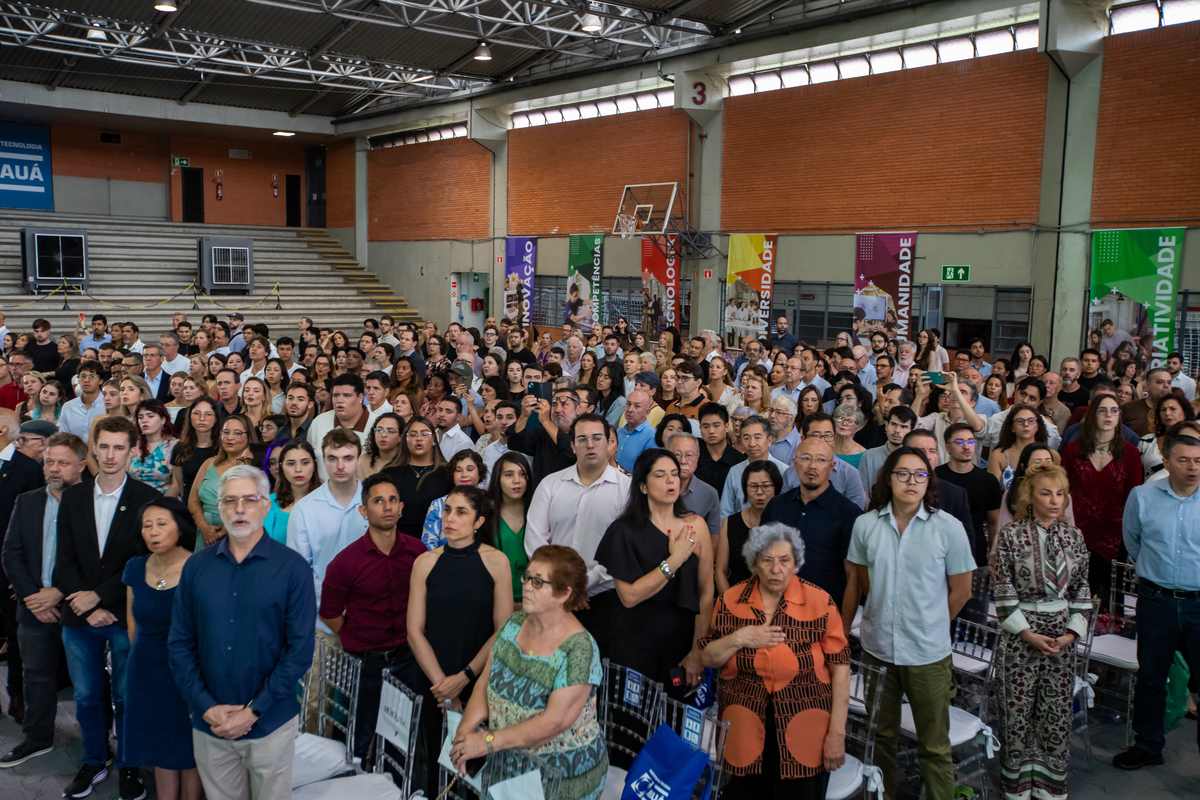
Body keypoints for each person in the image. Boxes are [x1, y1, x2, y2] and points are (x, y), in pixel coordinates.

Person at [168, 465, 315, 800]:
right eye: (230, 501)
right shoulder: (196, 567)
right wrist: (204, 705)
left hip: (270, 723)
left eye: (250, 499)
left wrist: (253, 711)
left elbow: (299, 651)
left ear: (266, 506)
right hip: (211, 723)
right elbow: (179, 643)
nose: (239, 509)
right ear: (218, 507)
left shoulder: (293, 569)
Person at [847, 447, 975, 800]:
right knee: (881, 737)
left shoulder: (948, 528)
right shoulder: (866, 525)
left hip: (928, 653)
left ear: (928, 481)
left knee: (934, 745)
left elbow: (962, 591)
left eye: (920, 474)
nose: (911, 481)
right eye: (902, 473)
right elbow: (862, 582)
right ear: (888, 478)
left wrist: (931, 622)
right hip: (878, 649)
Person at [699, 522, 850, 800]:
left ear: (796, 563)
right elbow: (707, 657)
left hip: (806, 728)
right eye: (767, 560)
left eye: (784, 560)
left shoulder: (820, 603)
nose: (775, 569)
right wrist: (739, 638)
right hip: (744, 729)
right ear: (754, 563)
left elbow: (840, 670)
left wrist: (837, 734)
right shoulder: (731, 601)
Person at [57, 416, 163, 800]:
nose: (111, 454)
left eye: (119, 447)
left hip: (124, 613)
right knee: (86, 696)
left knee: (126, 695)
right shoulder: (73, 497)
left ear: (133, 451)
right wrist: (87, 606)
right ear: (94, 448)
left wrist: (100, 597)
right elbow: (63, 560)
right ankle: (95, 759)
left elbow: (144, 561)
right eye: (104, 446)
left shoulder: (148, 498)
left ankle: (129, 763)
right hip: (79, 614)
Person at [450, 545, 608, 800]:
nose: (525, 586)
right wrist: (465, 731)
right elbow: (484, 683)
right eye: (527, 577)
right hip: (506, 762)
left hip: (559, 778)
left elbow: (553, 723)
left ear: (564, 594)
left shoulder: (580, 649)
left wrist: (486, 742)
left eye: (538, 582)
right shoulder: (514, 623)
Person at [990, 463, 1091, 799]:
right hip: (1021, 635)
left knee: (1055, 712)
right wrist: (1027, 633)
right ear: (1030, 497)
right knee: (1016, 712)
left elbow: (1082, 590)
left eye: (1060, 493)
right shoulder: (1011, 535)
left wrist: (1071, 635)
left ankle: (1049, 785)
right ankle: (1017, 785)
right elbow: (1002, 588)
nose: (1054, 500)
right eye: (1046, 493)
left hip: (1061, 637)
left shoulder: (1075, 537)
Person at [407, 486, 513, 797]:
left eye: (461, 512)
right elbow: (414, 631)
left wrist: (464, 678)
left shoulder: (497, 562)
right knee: (434, 767)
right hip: (433, 681)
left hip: (478, 681)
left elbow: (503, 630)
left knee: (474, 775)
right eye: (447, 510)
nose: (450, 518)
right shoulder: (425, 562)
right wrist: (443, 686)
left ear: (479, 521)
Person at [318, 472, 427, 761]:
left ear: (401, 508)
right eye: (378, 501)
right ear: (364, 511)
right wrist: (359, 634)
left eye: (392, 500)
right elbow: (330, 614)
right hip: (365, 663)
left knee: (401, 742)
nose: (387, 506)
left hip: (408, 660)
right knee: (356, 739)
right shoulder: (345, 563)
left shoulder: (418, 552)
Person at [595, 449, 714, 695]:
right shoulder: (623, 531)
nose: (671, 480)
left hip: (682, 640)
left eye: (674, 474)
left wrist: (698, 649)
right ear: (643, 486)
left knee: (675, 714)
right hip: (634, 639)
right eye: (660, 475)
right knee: (631, 714)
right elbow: (629, 597)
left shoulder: (696, 525)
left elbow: (705, 592)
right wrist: (675, 559)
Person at [1115, 430, 1200, 770]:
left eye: (1199, 461)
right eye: (1184, 460)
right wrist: (1157, 573)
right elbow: (1133, 542)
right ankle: (1148, 746)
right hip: (1157, 600)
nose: (1193, 467)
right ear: (1166, 461)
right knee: (1151, 678)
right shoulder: (1143, 496)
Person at [0, 432, 85, 768]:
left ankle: (98, 747)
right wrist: (33, 597)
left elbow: (98, 560)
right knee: (35, 676)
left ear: (81, 465)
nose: (54, 468)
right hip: (33, 607)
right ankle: (37, 739)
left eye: (63, 463)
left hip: (78, 607)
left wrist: (58, 592)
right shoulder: (27, 501)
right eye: (49, 461)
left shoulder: (93, 503)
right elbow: (11, 553)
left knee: (89, 683)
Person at [123, 498, 201, 800]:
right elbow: (133, 626)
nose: (153, 532)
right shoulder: (135, 567)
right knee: (159, 744)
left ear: (180, 528)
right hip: (145, 670)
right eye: (147, 525)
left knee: (189, 745)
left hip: (188, 670)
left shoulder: (198, 567)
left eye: (161, 524)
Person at [762, 437, 863, 639]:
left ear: (832, 466)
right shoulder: (776, 506)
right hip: (777, 616)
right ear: (795, 463)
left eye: (821, 460)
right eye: (806, 458)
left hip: (825, 618)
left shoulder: (848, 513)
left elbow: (854, 577)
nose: (812, 466)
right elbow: (761, 560)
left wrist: (842, 630)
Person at [1061, 393, 1142, 609]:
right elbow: (1062, 492)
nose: (1109, 415)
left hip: (1114, 536)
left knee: (1108, 606)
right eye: (1102, 410)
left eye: (1114, 410)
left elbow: (1134, 499)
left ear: (1119, 416)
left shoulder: (1131, 454)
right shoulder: (1072, 450)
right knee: (1073, 600)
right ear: (1092, 414)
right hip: (1076, 533)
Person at [188, 414, 258, 550]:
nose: (229, 437)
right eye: (226, 432)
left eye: (237, 433)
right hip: (206, 531)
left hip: (240, 530)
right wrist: (204, 527)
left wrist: (226, 529)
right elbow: (192, 500)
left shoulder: (255, 467)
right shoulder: (209, 463)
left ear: (249, 436)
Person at [937, 422, 1003, 562]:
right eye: (960, 442)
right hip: (939, 549)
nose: (967, 446)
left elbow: (993, 522)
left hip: (975, 551)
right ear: (947, 447)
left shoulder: (988, 480)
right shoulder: (935, 477)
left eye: (971, 442)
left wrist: (993, 557)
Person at [384, 417, 451, 540]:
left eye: (424, 434)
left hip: (436, 544)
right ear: (405, 439)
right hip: (398, 542)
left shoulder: (447, 473)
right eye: (413, 434)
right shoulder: (389, 473)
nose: (419, 438)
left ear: (433, 439)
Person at [719, 414, 790, 519]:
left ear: (769, 440)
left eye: (757, 438)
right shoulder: (735, 471)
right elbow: (725, 511)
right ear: (741, 442)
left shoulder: (785, 471)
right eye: (747, 438)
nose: (752, 444)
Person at [488, 452, 533, 606]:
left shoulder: (538, 511)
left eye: (522, 474)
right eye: (509, 474)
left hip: (533, 597)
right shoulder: (486, 514)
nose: (517, 480)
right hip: (494, 598)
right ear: (497, 479)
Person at [307, 374, 370, 479]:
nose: (339, 400)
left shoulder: (377, 425)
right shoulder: (318, 422)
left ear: (360, 397)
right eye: (335, 395)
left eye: (346, 395)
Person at [421, 450, 487, 549]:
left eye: (470, 469)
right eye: (458, 470)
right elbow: (428, 546)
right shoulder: (438, 505)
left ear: (480, 472)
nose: (464, 474)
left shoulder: (490, 503)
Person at [666, 432, 721, 541]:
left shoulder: (709, 493)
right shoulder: (655, 489)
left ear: (697, 457)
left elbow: (713, 538)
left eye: (689, 455)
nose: (683, 461)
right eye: (677, 454)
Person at [265, 440, 321, 545]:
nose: (298, 469)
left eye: (305, 463)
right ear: (281, 466)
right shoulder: (269, 503)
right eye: (291, 463)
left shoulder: (327, 501)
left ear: (314, 464)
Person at [859, 406, 916, 494]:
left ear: (911, 431)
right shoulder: (868, 456)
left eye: (903, 427)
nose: (897, 430)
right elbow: (863, 493)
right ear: (886, 426)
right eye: (893, 424)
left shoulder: (916, 459)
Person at [696, 403, 746, 499]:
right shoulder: (693, 459)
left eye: (716, 426)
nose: (711, 431)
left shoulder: (740, 462)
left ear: (727, 427)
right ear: (700, 429)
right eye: (706, 426)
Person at [1138, 394, 1194, 479]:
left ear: (1185, 413)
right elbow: (1137, 473)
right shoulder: (1146, 441)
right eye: (1163, 410)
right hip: (1150, 486)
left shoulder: (1196, 440)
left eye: (1173, 409)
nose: (1167, 413)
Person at [130, 399, 178, 496]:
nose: (144, 420)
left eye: (150, 416)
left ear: (163, 420)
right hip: (134, 500)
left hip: (164, 500)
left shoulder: (174, 445)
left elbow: (177, 484)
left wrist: (161, 504)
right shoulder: (133, 446)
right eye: (140, 417)